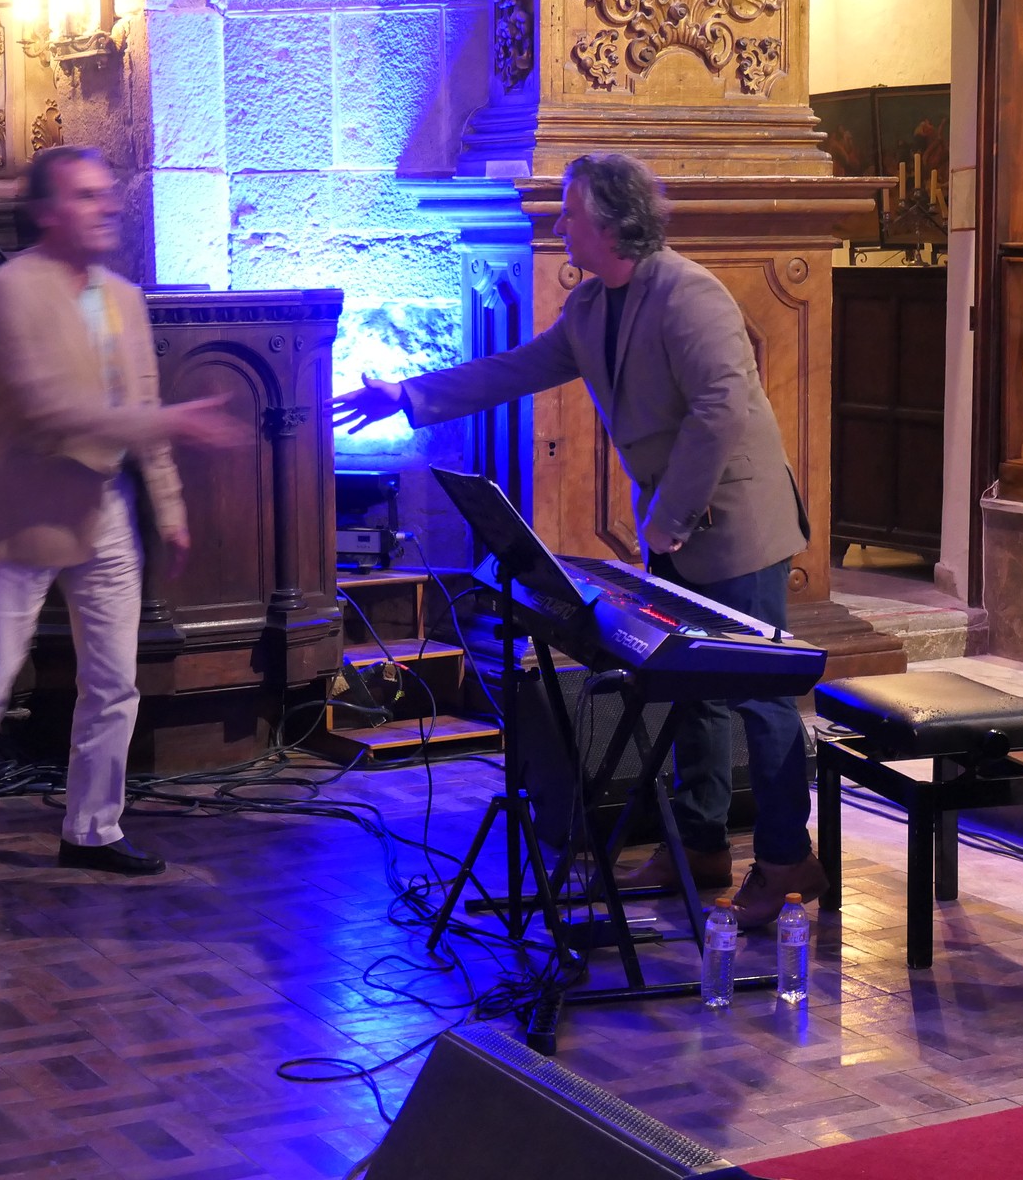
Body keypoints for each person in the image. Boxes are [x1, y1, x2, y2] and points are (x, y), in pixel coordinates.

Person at [331, 153, 823, 928]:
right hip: (675, 524)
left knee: (759, 698)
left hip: (736, 522)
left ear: (613, 223)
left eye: (570, 211)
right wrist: (409, 396)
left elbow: (722, 413)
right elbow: (516, 369)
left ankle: (789, 862)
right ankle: (700, 845)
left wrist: (667, 520)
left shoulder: (691, 295)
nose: (558, 223)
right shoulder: (592, 304)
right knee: (691, 693)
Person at [0, 146, 246, 893]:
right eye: (86, 196)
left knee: (114, 682)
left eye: (106, 193)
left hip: (106, 512)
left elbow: (142, 402)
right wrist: (169, 421)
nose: (107, 206)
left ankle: (93, 828)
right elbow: (43, 410)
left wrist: (171, 510)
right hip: (25, 512)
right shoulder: (6, 291)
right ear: (46, 211)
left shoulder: (123, 296)